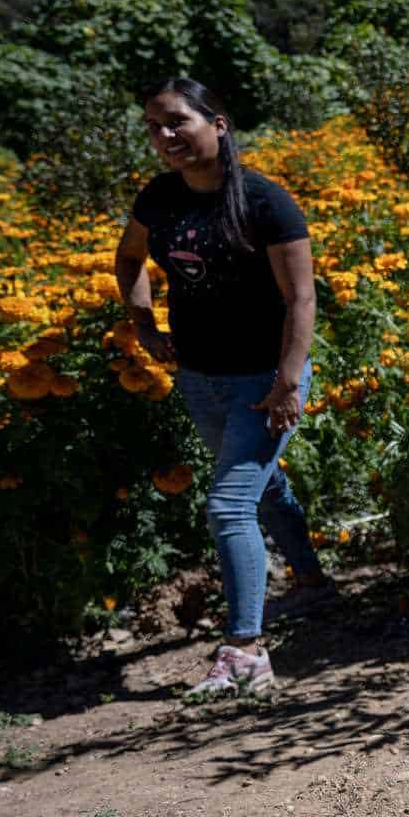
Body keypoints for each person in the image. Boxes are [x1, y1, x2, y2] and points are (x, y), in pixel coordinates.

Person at [113, 77, 335, 696]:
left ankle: (245, 651)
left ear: (219, 123)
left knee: (228, 504)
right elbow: (129, 259)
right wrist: (143, 323)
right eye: (154, 126)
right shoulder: (158, 199)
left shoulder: (266, 202)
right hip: (199, 379)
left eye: (177, 121)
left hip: (266, 380)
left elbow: (301, 297)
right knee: (264, 487)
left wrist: (290, 381)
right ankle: (314, 585)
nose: (164, 137)